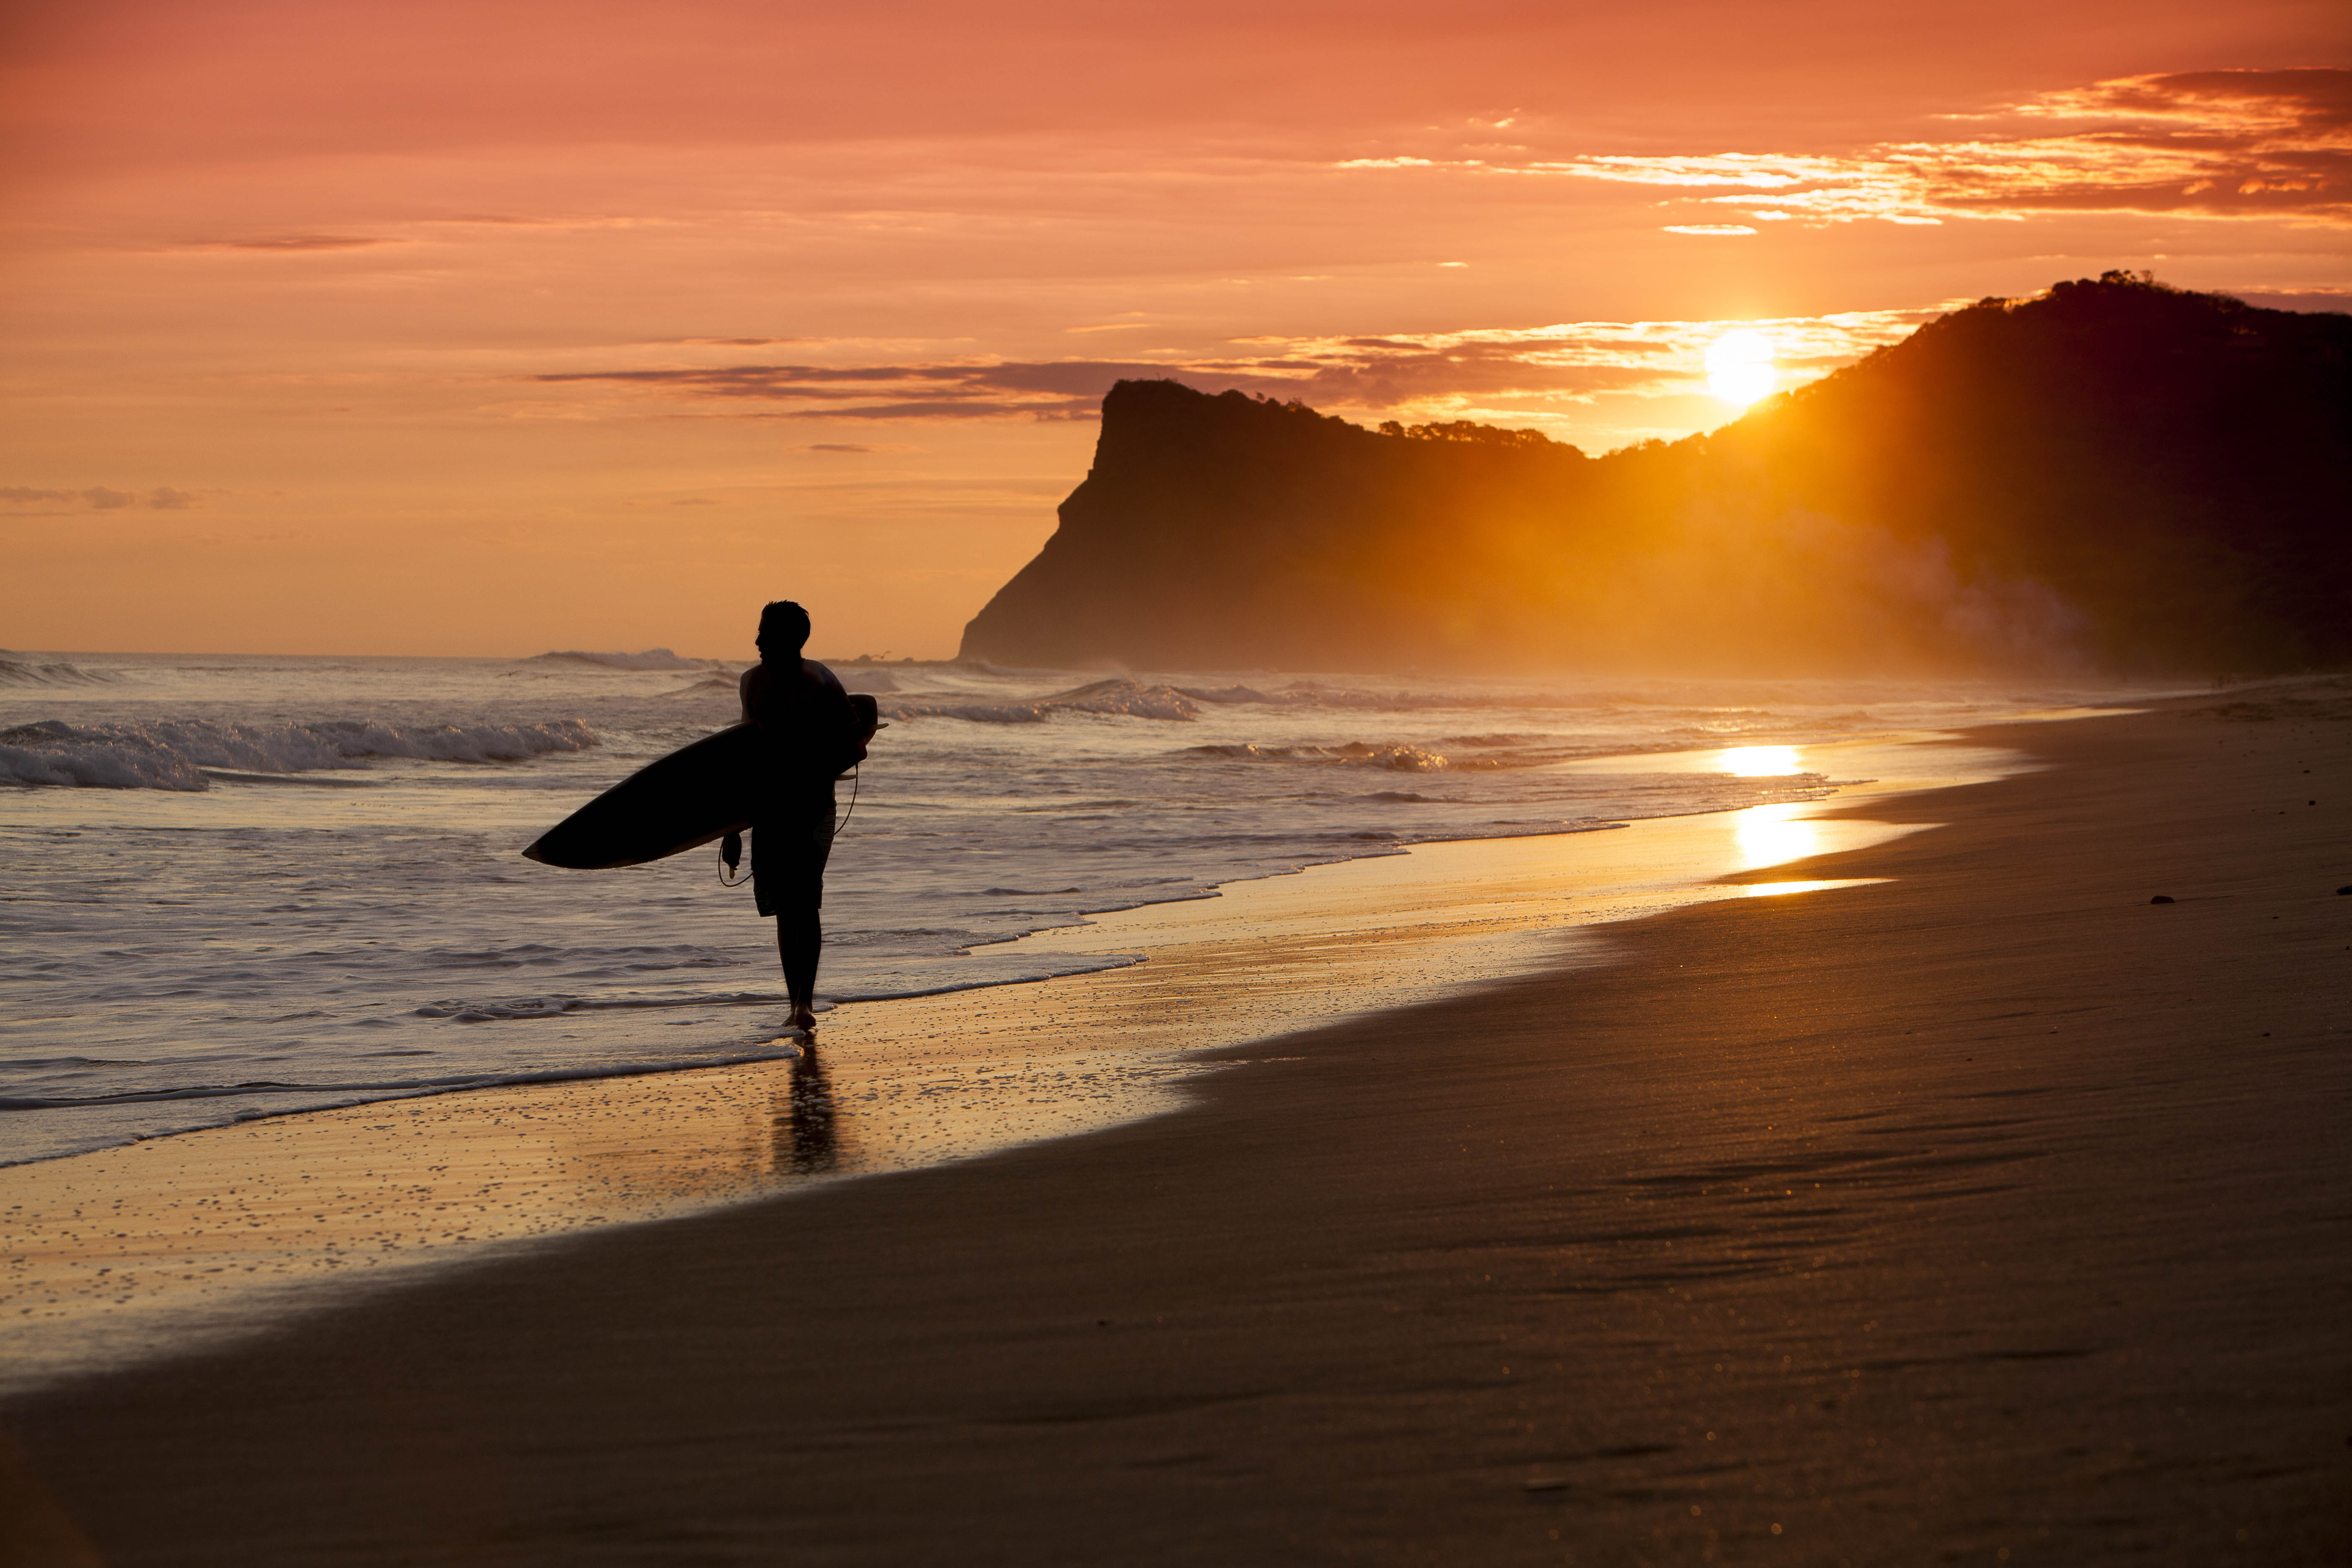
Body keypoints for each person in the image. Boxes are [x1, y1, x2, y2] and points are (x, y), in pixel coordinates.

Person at [736, 601, 866, 1035]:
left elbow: (855, 744)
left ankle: (805, 1004)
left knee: (804, 903)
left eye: (765, 634)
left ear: (790, 639)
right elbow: (744, 756)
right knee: (784, 911)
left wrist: (814, 768)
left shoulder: (821, 682)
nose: (756, 641)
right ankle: (795, 1003)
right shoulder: (751, 683)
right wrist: (730, 826)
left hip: (813, 813)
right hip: (768, 812)